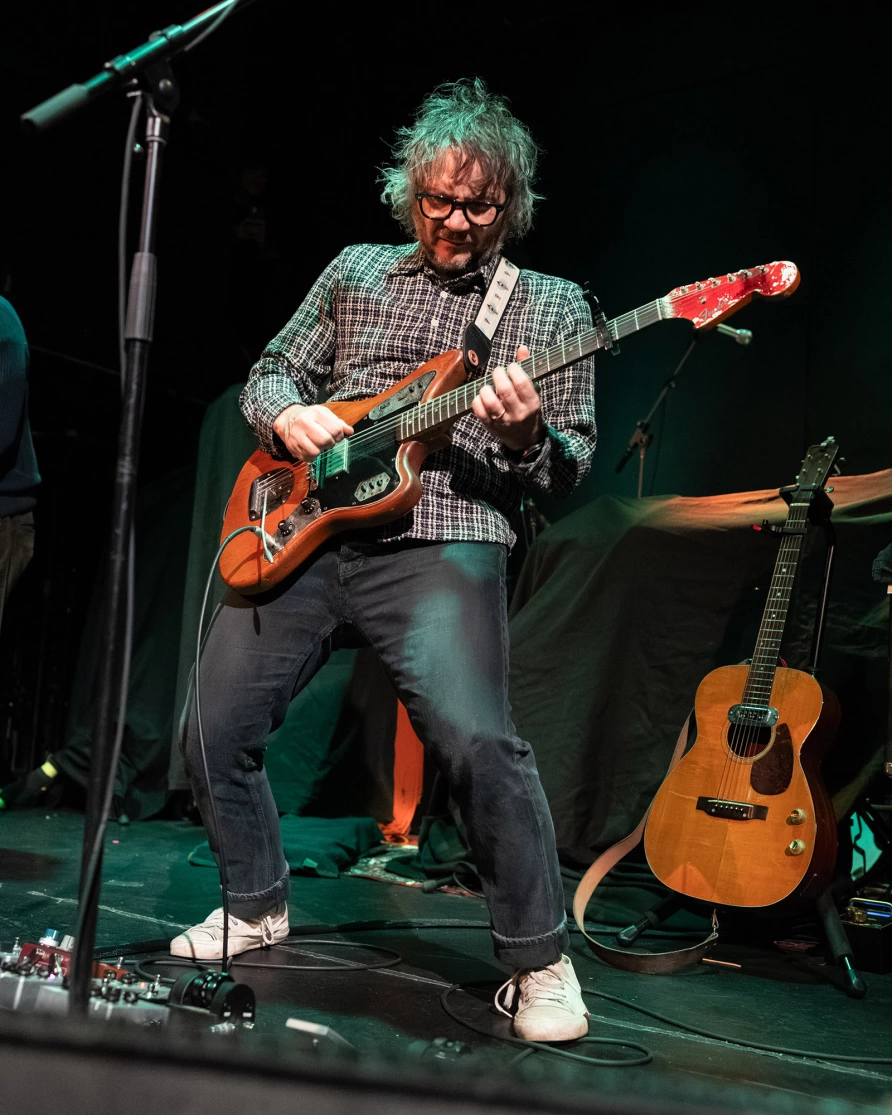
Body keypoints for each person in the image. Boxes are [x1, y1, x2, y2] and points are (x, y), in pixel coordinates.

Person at [172, 79, 597, 1043]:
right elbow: (271, 368)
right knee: (211, 723)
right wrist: (287, 412)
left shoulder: (551, 308)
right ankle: (255, 900)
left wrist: (528, 434)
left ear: (511, 205)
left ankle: (540, 962)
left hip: (446, 533)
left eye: (479, 206)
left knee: (478, 743)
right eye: (438, 201)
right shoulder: (357, 271)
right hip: (311, 529)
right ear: (410, 192)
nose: (455, 222)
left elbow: (569, 465)